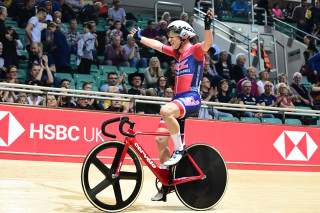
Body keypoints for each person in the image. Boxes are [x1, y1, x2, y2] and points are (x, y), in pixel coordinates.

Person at [131, 9, 214, 201]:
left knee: (165, 110)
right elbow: (158, 45)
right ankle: (166, 184)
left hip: (191, 98)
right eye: (169, 37)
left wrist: (208, 26)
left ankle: (179, 149)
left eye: (172, 37)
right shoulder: (177, 54)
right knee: (160, 141)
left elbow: (208, 43)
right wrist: (140, 37)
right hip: (178, 100)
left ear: (184, 36)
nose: (169, 40)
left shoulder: (195, 51)